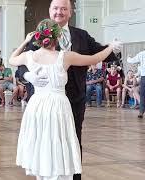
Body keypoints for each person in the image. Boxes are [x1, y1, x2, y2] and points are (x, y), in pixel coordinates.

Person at [17, 1, 121, 179]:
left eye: (64, 8)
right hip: (44, 103)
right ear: (50, 11)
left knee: (73, 140)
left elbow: (97, 52)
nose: (59, 12)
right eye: (56, 8)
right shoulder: (37, 36)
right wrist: (28, 76)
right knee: (46, 141)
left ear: (70, 12)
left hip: (74, 99)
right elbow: (20, 64)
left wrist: (114, 48)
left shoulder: (81, 35)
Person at [127, 50, 145, 118]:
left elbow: (131, 61)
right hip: (143, 76)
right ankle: (141, 111)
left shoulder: (141, 53)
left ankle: (141, 112)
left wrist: (128, 57)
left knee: (143, 95)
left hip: (144, 77)